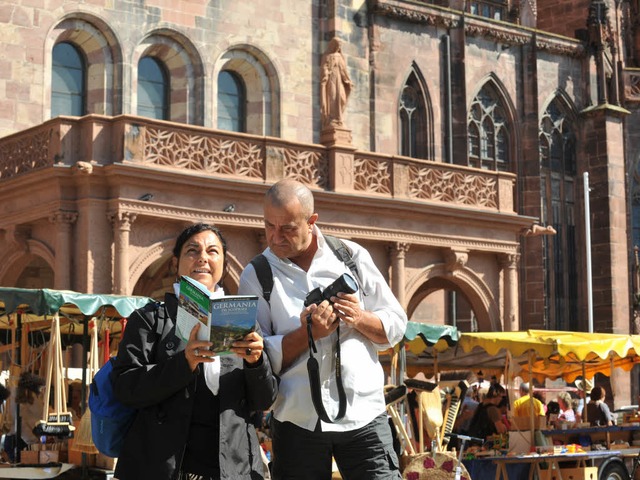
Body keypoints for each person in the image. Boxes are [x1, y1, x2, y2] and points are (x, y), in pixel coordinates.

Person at [238, 179, 408, 480]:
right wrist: (309, 333)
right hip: (296, 420)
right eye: (269, 226)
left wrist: (358, 317)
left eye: (288, 228)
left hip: (364, 414)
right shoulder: (256, 274)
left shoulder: (350, 256)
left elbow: (395, 326)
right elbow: (256, 356)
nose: (276, 237)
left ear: (312, 221)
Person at [112, 223, 278, 480]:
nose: (203, 257)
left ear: (223, 264)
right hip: (161, 467)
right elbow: (126, 387)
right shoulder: (150, 319)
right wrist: (184, 363)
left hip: (231, 468)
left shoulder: (244, 322)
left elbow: (263, 402)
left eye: (213, 251)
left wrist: (257, 363)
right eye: (193, 251)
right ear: (175, 263)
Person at [320, 37, 353, 129]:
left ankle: (339, 118)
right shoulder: (327, 56)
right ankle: (332, 119)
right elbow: (324, 67)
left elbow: (343, 71)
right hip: (332, 81)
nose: (338, 47)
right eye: (337, 45)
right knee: (333, 98)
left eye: (340, 46)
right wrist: (326, 73)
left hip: (340, 81)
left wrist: (347, 81)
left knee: (342, 98)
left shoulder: (340, 57)